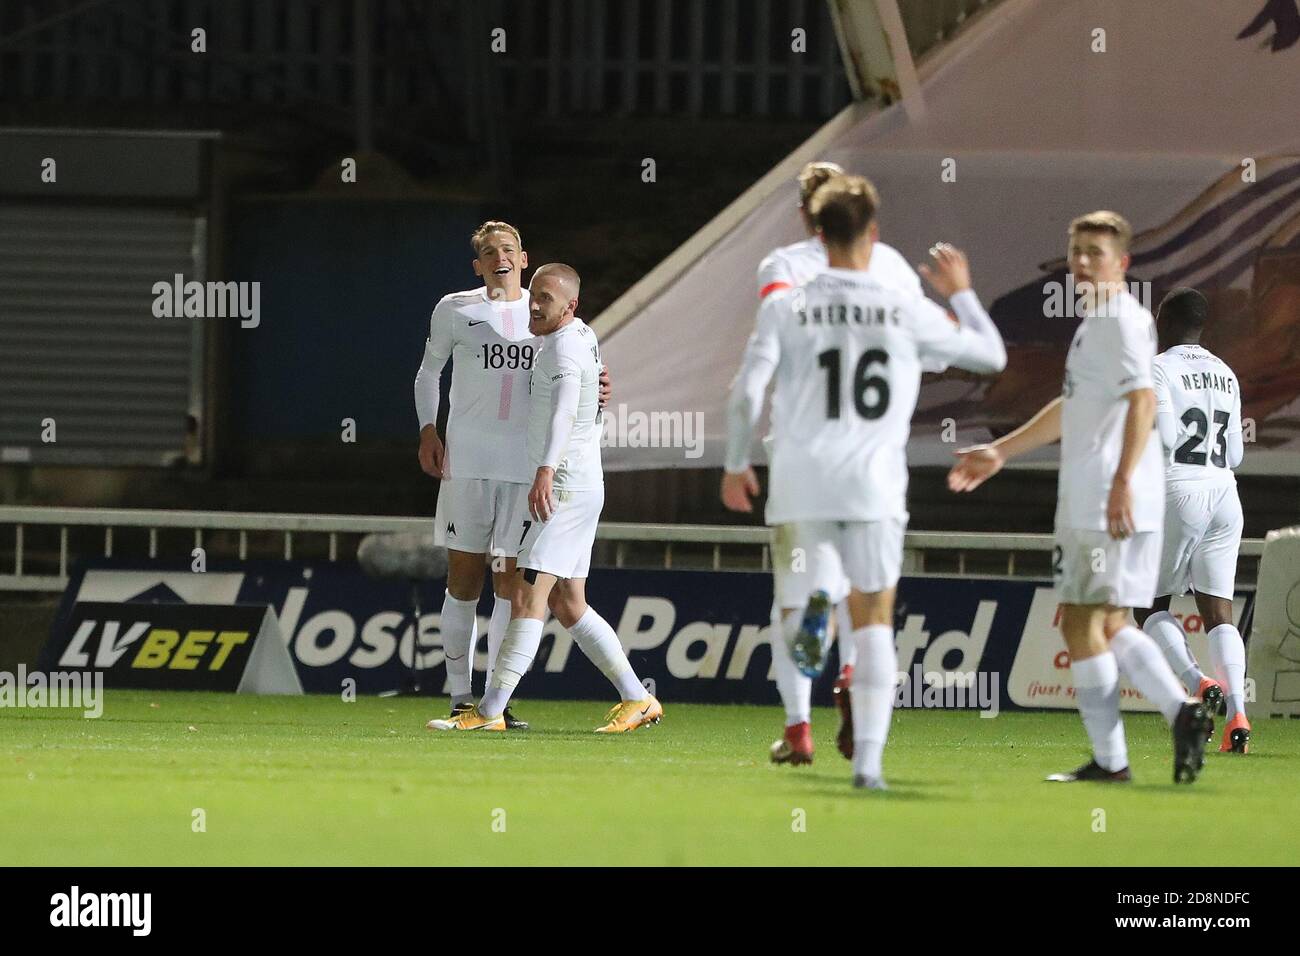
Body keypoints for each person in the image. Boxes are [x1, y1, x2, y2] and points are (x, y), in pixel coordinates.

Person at [725, 175, 1007, 789]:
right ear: (873, 233)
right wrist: (960, 296)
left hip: (800, 481)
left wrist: (734, 463)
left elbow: (747, 388)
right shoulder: (900, 297)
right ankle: (870, 768)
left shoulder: (785, 301)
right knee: (876, 617)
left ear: (815, 231)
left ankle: (805, 676)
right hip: (873, 485)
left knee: (794, 605)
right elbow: (991, 357)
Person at [948, 211, 1214, 783]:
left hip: (1104, 500)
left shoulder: (1118, 319)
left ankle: (1113, 760)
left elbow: (1143, 401)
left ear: (1122, 262)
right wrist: (1002, 452)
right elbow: (1073, 408)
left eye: (1096, 252)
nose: (1083, 262)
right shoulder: (1099, 323)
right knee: (1114, 621)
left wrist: (1119, 482)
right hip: (1115, 498)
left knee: (1078, 623)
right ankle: (1181, 712)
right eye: (1076, 251)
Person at [732, 160, 930, 765]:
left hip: (800, 447)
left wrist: (736, 455)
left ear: (805, 213)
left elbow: (771, 353)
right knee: (868, 600)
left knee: (790, 597)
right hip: (873, 451)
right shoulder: (891, 264)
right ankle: (852, 684)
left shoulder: (785, 267)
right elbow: (926, 340)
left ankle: (798, 732)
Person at [429, 264, 663, 733]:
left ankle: (490, 710)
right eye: (533, 295)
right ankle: (639, 698)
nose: (533, 305)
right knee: (569, 602)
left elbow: (560, 414)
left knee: (527, 594)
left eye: (545, 300)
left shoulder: (562, 352)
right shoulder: (579, 336)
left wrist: (545, 471)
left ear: (570, 307)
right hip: (583, 485)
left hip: (563, 488)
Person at [415, 222, 608, 729]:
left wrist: (599, 388)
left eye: (508, 249)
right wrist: (428, 429)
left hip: (525, 471)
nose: (499, 257)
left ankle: (492, 707)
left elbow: (577, 378)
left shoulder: (544, 314)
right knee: (463, 580)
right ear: (477, 265)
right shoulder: (455, 309)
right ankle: (460, 696)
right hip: (468, 463)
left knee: (508, 585)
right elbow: (428, 371)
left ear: (524, 258)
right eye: (487, 252)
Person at [1133, 287, 1250, 754]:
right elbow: (1237, 451)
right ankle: (1238, 715)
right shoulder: (1226, 372)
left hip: (1179, 489)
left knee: (1148, 604)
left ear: (1163, 321)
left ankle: (1198, 684)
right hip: (1225, 491)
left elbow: (1163, 435)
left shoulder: (1159, 368)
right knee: (1218, 611)